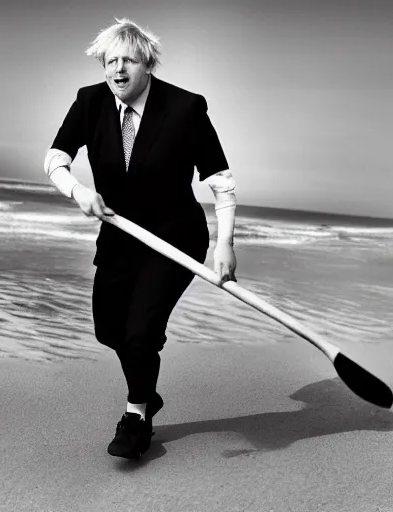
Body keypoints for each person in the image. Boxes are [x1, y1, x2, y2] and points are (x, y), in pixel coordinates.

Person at [43, 18, 238, 459]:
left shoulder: (186, 108)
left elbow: (220, 181)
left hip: (175, 239)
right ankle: (147, 388)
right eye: (110, 61)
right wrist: (79, 191)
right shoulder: (90, 102)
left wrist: (225, 244)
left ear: (147, 63)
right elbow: (55, 159)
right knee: (108, 329)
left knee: (140, 332)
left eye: (127, 59)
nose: (117, 69)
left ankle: (136, 418)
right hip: (119, 235)